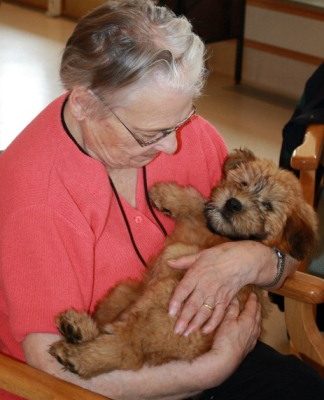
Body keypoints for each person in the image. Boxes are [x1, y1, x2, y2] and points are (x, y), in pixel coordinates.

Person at [0, 1, 323, 399]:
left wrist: (254, 261)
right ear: (84, 103)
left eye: (183, 119)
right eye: (150, 134)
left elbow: (291, 243)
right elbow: (51, 361)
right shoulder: (38, 199)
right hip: (93, 382)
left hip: (197, 342)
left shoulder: (189, 135)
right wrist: (207, 371)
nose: (173, 146)